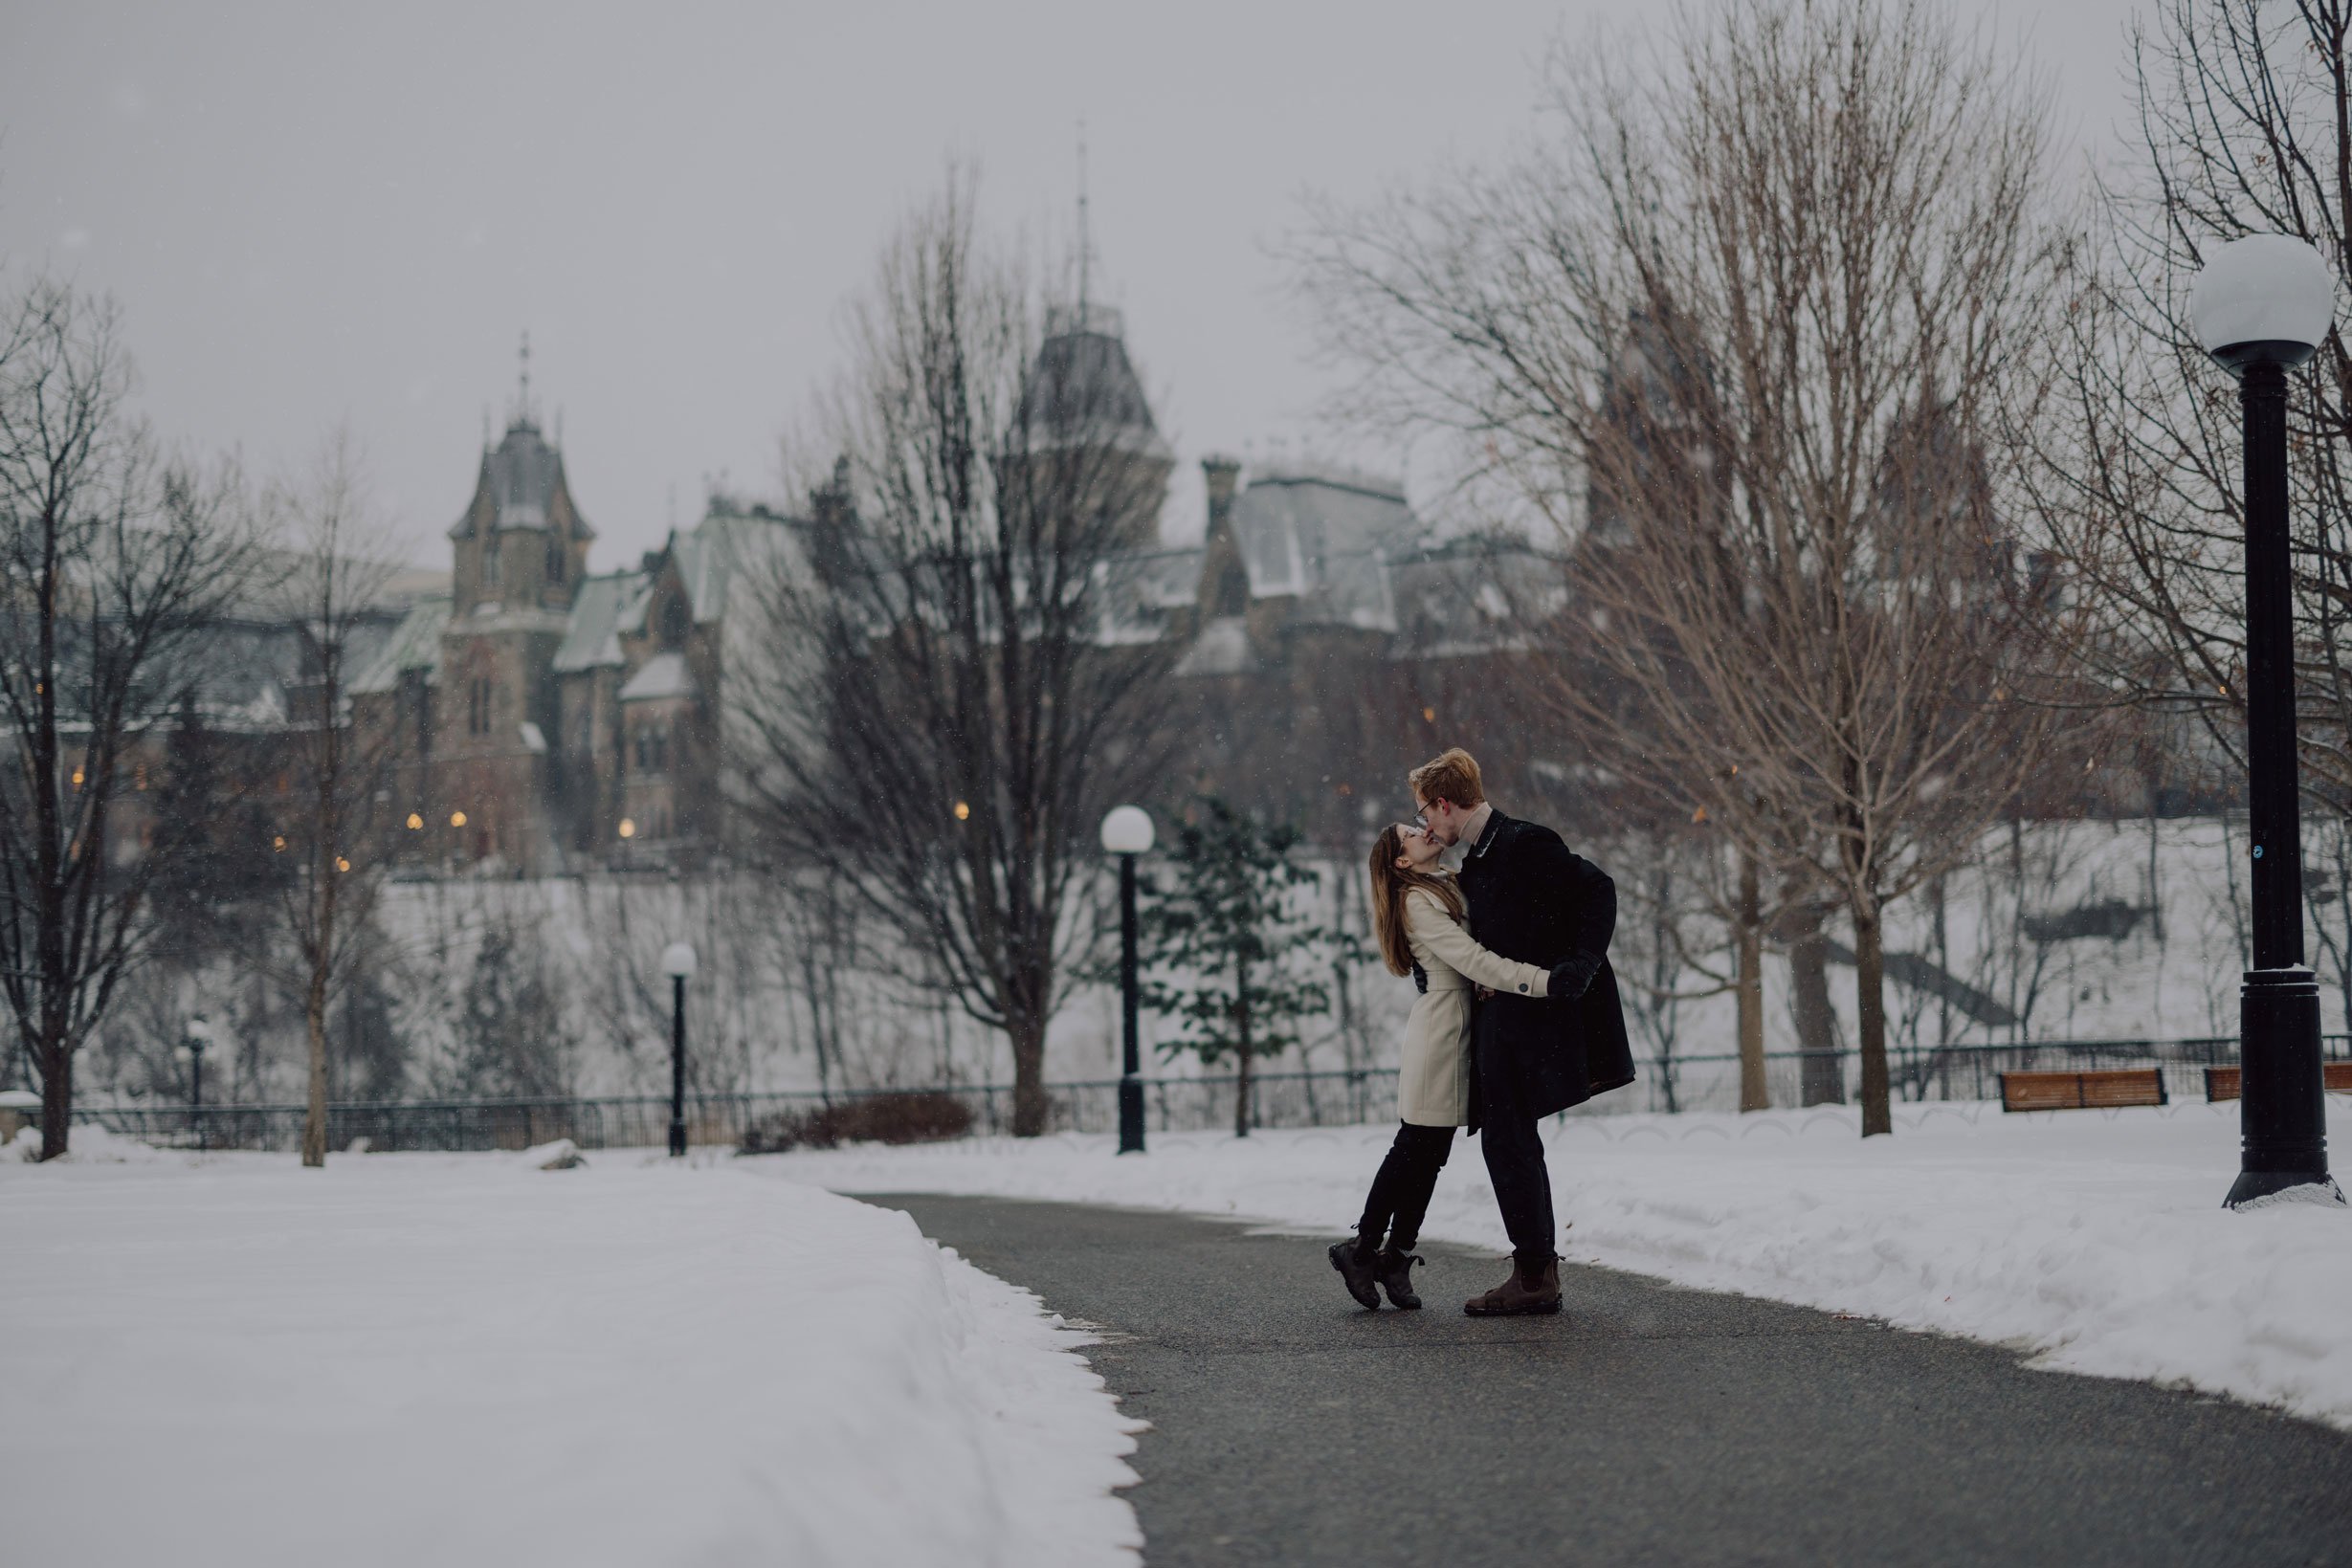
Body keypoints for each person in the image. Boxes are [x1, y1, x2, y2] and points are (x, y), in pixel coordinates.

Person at [1410, 747, 1633, 1316]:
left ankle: (1534, 1273)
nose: (1426, 826)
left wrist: (1579, 968)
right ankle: (1536, 1269)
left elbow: (1598, 890)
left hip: (1532, 1013)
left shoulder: (1525, 842)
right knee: (1508, 1139)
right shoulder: (1479, 859)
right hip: (1503, 1015)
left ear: (1444, 804)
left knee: (1508, 1139)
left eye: (1426, 813)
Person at [1330, 821, 1556, 1311]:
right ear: (1402, 862)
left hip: (1462, 1025)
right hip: (1441, 1030)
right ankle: (1362, 1248)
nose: (1424, 829)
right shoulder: (1416, 902)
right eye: (1411, 832)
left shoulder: (1446, 884)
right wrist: (1543, 982)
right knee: (1413, 1144)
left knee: (1431, 1151)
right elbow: (1471, 957)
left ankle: (1395, 1255)